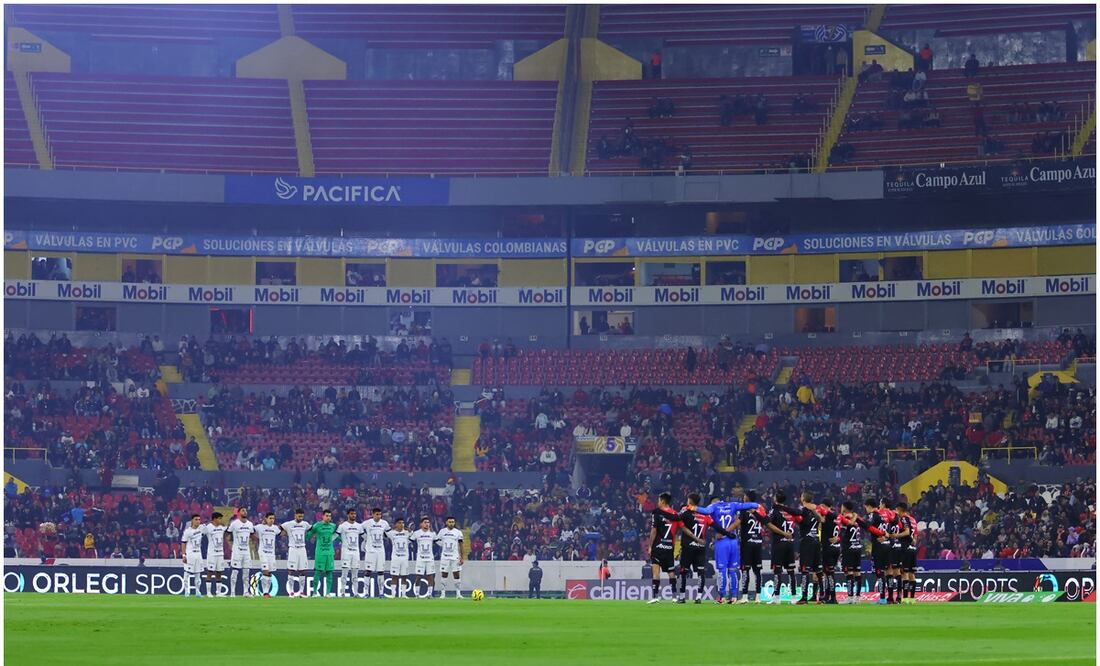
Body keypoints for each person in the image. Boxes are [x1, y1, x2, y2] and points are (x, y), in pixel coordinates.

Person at [694, 494, 759, 603]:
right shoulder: (732, 505)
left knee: (722, 570)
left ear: (714, 502)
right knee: (733, 570)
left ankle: (722, 596)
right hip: (733, 541)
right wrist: (756, 505)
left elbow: (704, 511)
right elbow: (747, 505)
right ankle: (734, 596)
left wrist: (693, 507)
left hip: (721, 541)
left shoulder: (713, 507)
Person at [646, 492, 701, 604]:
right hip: (669, 547)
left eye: (658, 500)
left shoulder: (657, 513)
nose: (657, 502)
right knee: (671, 571)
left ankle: (655, 596)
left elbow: (654, 531)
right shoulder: (676, 515)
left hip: (658, 546)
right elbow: (683, 528)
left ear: (662, 501)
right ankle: (674, 596)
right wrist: (695, 537)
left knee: (656, 571)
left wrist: (650, 546)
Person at [765, 491, 799, 604]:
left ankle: (776, 598)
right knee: (791, 571)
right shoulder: (790, 512)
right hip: (789, 544)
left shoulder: (774, 511)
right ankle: (793, 597)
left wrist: (782, 533)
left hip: (778, 543)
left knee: (777, 571)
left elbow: (768, 524)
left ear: (775, 499)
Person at [280, 508, 312, 598]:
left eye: (302, 516)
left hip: (302, 549)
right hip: (293, 549)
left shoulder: (305, 524)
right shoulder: (289, 524)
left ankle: (301, 592)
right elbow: (279, 529)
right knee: (291, 570)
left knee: (303, 571)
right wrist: (285, 534)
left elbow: (311, 529)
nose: (301, 518)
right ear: (295, 515)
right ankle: (291, 592)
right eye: (299, 516)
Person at [308, 509, 337, 597]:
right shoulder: (317, 525)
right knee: (317, 572)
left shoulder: (333, 526)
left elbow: (337, 535)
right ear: (323, 516)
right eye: (327, 516)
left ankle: (328, 593)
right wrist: (305, 538)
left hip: (330, 552)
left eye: (330, 516)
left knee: (329, 572)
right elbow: (309, 534)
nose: (328, 517)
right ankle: (314, 593)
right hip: (320, 552)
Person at [362, 507, 391, 597]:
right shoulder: (367, 523)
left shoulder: (384, 523)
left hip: (380, 551)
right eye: (377, 514)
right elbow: (359, 530)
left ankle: (381, 593)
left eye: (380, 514)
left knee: (381, 571)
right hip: (370, 551)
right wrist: (365, 538)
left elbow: (389, 534)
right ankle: (366, 593)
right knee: (368, 571)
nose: (379, 516)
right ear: (373, 514)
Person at [337, 508, 365, 597]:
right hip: (346, 552)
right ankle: (342, 592)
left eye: (354, 514)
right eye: (352, 514)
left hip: (356, 552)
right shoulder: (342, 526)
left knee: (355, 574)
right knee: (344, 573)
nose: (353, 515)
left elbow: (364, 536)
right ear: (348, 515)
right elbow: (335, 536)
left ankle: (356, 593)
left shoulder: (359, 526)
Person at [227, 508, 256, 597]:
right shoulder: (234, 523)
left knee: (246, 573)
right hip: (237, 551)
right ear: (239, 513)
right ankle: (232, 592)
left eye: (245, 510)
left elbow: (252, 536)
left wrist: (256, 541)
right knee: (235, 572)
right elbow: (227, 534)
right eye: (243, 510)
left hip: (246, 552)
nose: (245, 512)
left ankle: (245, 592)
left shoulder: (250, 524)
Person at [896, 502, 919, 604]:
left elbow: (905, 532)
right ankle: (912, 599)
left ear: (900, 510)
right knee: (912, 574)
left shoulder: (903, 519)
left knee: (904, 574)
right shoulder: (913, 520)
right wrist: (913, 542)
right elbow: (915, 536)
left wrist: (894, 536)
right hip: (913, 548)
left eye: (897, 510)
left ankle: (905, 598)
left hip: (905, 548)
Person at [819, 498, 841, 604]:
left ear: (824, 506)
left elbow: (821, 521)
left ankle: (833, 597)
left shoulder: (826, 517)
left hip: (828, 548)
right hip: (836, 547)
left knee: (829, 574)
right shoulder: (837, 517)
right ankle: (827, 595)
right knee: (827, 572)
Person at [437, 516, 465, 598]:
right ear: (446, 522)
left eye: (453, 522)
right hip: (445, 557)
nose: (451, 523)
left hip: (455, 556)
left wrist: (462, 557)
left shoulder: (458, 532)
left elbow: (461, 545)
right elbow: (437, 540)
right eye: (449, 522)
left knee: (456, 574)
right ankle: (443, 593)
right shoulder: (442, 532)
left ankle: (458, 593)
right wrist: (443, 545)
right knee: (444, 574)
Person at [255, 512, 281, 598]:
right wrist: (255, 539)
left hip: (271, 553)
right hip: (263, 552)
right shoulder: (260, 527)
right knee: (265, 570)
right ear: (265, 519)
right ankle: (265, 593)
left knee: (269, 573)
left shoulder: (275, 528)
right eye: (270, 518)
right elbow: (251, 530)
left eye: (273, 518)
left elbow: (281, 532)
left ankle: (267, 592)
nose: (272, 520)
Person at [202, 511, 227, 597]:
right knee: (210, 572)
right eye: (219, 518)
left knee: (219, 572)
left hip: (220, 554)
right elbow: (201, 533)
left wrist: (223, 524)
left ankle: (218, 592)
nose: (221, 520)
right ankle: (208, 592)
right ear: (214, 519)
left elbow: (227, 530)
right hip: (211, 554)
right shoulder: (208, 527)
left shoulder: (222, 527)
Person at [412, 517, 438, 597]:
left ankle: (430, 594)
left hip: (430, 558)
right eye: (425, 522)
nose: (427, 523)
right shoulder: (416, 533)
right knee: (418, 576)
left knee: (430, 576)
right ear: (421, 524)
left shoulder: (432, 534)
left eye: (428, 522)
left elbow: (437, 543)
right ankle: (417, 594)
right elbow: (410, 540)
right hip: (420, 558)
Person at [387, 517, 412, 598]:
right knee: (394, 576)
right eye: (400, 523)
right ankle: (393, 594)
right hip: (395, 558)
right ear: (396, 524)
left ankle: (404, 594)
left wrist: (410, 529)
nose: (402, 524)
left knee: (404, 576)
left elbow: (413, 536)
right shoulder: (391, 533)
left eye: (403, 523)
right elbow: (384, 533)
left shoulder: (407, 533)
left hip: (405, 558)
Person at [181, 514, 204, 597]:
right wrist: (184, 555)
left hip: (198, 554)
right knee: (187, 573)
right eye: (196, 519)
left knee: (198, 574)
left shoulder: (202, 528)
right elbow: (183, 543)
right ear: (192, 521)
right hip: (190, 554)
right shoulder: (188, 531)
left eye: (199, 519)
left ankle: (198, 591)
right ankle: (187, 592)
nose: (198, 521)